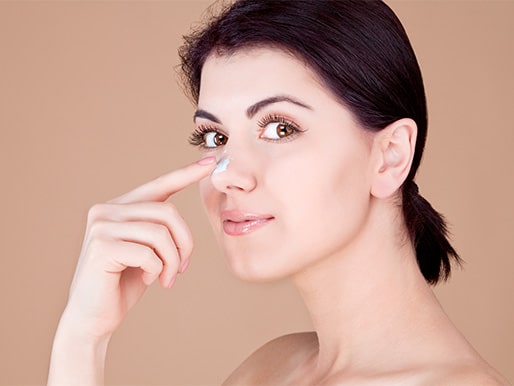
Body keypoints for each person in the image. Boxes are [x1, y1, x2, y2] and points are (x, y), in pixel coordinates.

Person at [48, 0, 509, 384]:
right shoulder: (268, 370)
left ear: (389, 156)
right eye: (214, 137)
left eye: (281, 128)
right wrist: (82, 340)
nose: (227, 173)